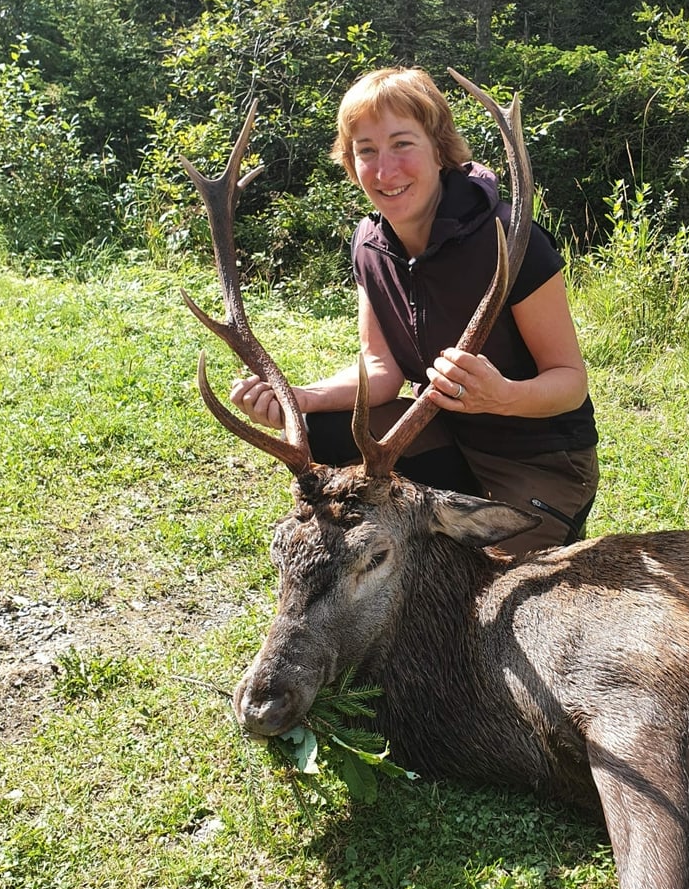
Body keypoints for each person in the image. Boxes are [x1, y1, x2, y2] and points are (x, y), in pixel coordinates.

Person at [230, 67, 598, 557]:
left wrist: (502, 395)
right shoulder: (371, 247)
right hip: (443, 436)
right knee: (320, 431)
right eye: (366, 151)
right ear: (350, 162)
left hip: (539, 459)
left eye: (402, 144)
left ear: (441, 149)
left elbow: (570, 381)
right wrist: (299, 398)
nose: (385, 171)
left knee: (489, 592)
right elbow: (381, 370)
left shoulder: (512, 239)